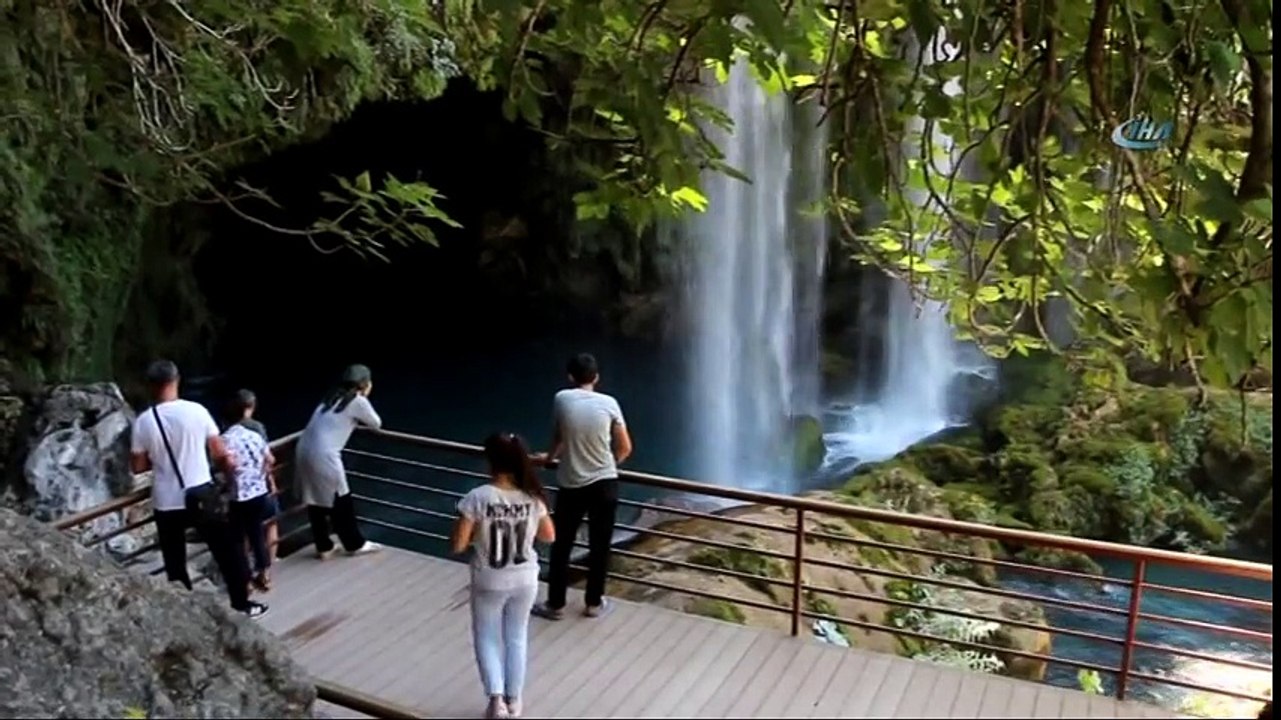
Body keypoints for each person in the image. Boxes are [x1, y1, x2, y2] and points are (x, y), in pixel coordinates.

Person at [129, 360, 268, 618]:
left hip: (166, 501)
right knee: (227, 552)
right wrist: (228, 476)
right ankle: (242, 604)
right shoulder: (197, 411)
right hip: (201, 493)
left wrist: (158, 457)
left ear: (151, 386)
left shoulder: (144, 422)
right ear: (176, 380)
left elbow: (138, 466)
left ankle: (186, 614)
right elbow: (219, 453)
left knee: (174, 560)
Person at [452, 433, 555, 720]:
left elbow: (458, 545)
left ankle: (496, 701)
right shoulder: (532, 497)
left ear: (490, 461)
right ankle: (514, 699)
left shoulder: (477, 497)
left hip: (489, 578)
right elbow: (549, 536)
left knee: (486, 637)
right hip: (525, 578)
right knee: (516, 637)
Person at [531, 353, 632, 620]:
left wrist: (549, 458)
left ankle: (555, 605)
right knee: (600, 546)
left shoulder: (562, 398)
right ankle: (593, 604)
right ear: (596, 377)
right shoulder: (610, 403)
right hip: (605, 484)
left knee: (562, 545)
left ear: (570, 377)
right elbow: (625, 447)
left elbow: (561, 436)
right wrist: (608, 464)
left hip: (571, 484)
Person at [295, 364, 383, 559]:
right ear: (365, 384)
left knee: (315, 498)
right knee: (341, 498)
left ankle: (323, 545)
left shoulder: (331, 397)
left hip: (304, 449)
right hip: (324, 455)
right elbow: (376, 423)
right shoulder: (357, 401)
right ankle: (354, 544)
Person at [222, 392, 277, 593]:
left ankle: (245, 582)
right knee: (257, 535)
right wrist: (261, 473)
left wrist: (229, 477)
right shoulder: (254, 435)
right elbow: (270, 459)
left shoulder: (226, 440)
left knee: (238, 540)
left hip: (240, 497)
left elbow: (229, 464)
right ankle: (264, 574)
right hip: (259, 492)